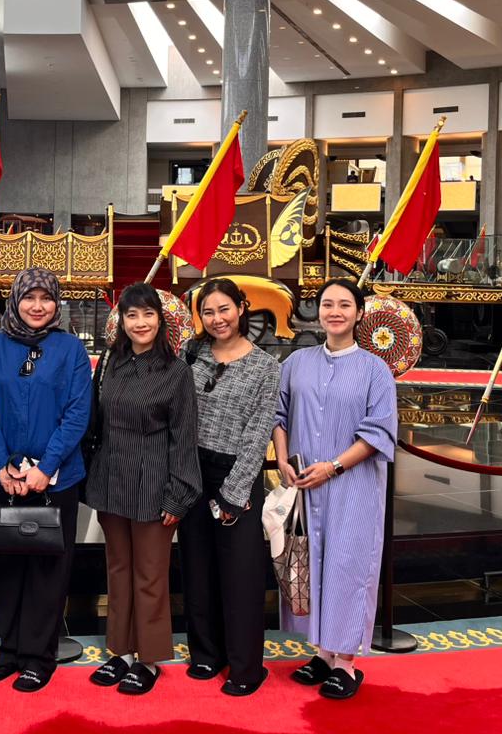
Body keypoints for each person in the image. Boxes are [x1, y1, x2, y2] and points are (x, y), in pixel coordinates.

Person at [272, 277, 398, 701]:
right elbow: (278, 414)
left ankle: (346, 662)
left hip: (353, 488)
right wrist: (284, 460)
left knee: (348, 566)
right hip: (305, 486)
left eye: (345, 304)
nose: (335, 312)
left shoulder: (375, 370)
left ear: (359, 313)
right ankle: (323, 653)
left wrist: (334, 467)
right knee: (312, 565)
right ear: (318, 311)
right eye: (328, 304)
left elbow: (379, 432)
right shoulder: (297, 363)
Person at [0, 267, 92, 693]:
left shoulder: (70, 349)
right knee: (7, 565)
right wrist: (2, 464)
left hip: (55, 481)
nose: (37, 306)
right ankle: (8, 652)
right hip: (5, 479)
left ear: (57, 303)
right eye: (29, 297)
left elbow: (77, 413)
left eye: (46, 298)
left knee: (48, 570)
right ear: (15, 301)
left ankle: (39, 658)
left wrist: (45, 468)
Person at [84, 283, 201, 696]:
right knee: (118, 571)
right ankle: (121, 651)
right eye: (131, 315)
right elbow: (96, 424)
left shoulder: (177, 371)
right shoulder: (110, 363)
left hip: (154, 487)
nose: (139, 323)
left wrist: (178, 494)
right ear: (121, 321)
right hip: (111, 483)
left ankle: (148, 659)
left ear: (160, 320)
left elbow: (183, 439)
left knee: (149, 575)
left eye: (147, 314)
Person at [179, 278, 281, 696]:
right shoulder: (191, 352)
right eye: (208, 311)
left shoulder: (265, 366)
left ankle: (245, 667)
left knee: (240, 575)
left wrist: (234, 494)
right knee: (196, 567)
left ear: (241, 308)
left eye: (224, 309)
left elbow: (258, 434)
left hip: (235, 474)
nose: (217, 318)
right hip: (191, 471)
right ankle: (206, 654)